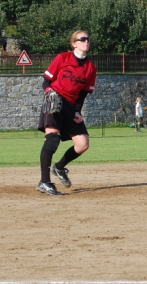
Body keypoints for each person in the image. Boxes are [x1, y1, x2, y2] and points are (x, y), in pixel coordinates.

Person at [36, 30, 97, 196]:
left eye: (87, 39)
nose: (86, 41)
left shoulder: (90, 67)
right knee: (52, 139)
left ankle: (59, 167)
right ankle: (44, 182)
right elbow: (46, 81)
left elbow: (83, 93)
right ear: (74, 43)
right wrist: (49, 91)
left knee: (83, 144)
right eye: (82, 39)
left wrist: (77, 111)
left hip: (71, 106)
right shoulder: (62, 58)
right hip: (55, 100)